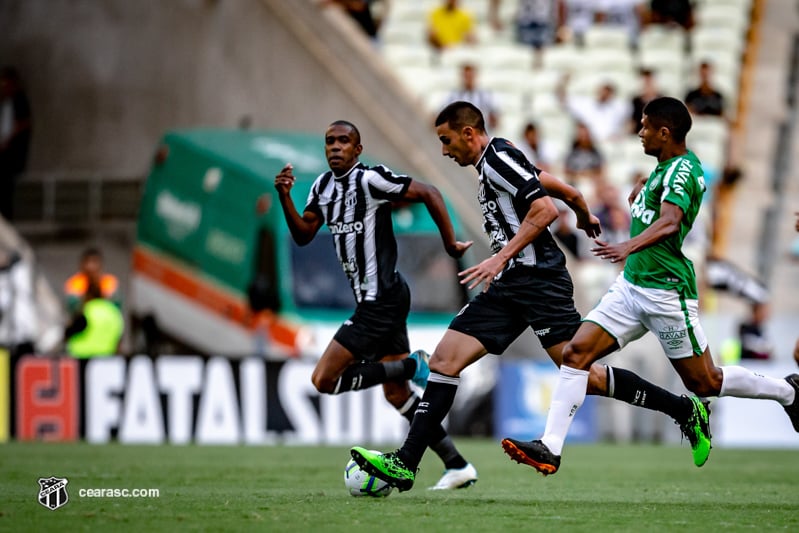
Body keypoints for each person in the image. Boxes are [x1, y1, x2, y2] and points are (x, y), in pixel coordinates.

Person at [351, 101, 712, 492]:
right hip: (510, 285)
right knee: (444, 360)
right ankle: (406, 463)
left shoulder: (497, 159)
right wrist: (580, 205)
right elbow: (546, 183)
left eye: (446, 140)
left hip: (540, 281)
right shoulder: (498, 158)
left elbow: (542, 210)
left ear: (468, 133)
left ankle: (682, 409)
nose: (443, 149)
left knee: (584, 374)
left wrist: (499, 257)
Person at [505, 97, 799, 476]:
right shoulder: (662, 170)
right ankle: (550, 447)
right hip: (631, 287)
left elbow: (671, 221)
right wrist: (646, 186)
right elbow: (662, 195)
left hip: (667, 292)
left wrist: (627, 245)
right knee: (575, 354)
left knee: (704, 381)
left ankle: (788, 392)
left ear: (665, 132)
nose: (639, 133)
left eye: (645, 127)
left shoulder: (683, 172)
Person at [274, 120, 478, 490]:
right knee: (397, 393)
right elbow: (304, 235)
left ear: (358, 149)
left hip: (379, 300)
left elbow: (430, 192)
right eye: (330, 141)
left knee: (323, 380)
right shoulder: (321, 187)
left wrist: (449, 245)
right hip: (381, 298)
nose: (335, 147)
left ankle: (410, 365)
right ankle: (456, 464)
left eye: (344, 141)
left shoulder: (370, 180)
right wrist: (285, 197)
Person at [0, 67, 32, 222]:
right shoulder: (6, 102)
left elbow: (23, 123)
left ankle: (6, 220)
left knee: (6, 189)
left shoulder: (20, 100)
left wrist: (7, 140)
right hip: (6, 153)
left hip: (11, 156)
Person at [64, 279, 124, 358]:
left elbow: (69, 332)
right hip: (107, 356)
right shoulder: (113, 311)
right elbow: (119, 336)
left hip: (82, 357)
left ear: (87, 295)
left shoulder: (85, 310)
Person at [64, 247, 120, 315]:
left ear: (101, 264)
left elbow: (116, 306)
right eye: (87, 262)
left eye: (94, 261)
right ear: (81, 264)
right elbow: (72, 307)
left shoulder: (109, 281)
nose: (90, 266)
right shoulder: (75, 282)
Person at [446, 64, 500, 130]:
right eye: (466, 76)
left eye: (470, 76)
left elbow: (495, 116)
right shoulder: (454, 95)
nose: (468, 79)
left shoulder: (484, 95)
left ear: (475, 76)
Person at [630, 68, 662, 134]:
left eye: (649, 82)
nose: (647, 85)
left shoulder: (662, 100)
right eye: (645, 82)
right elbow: (633, 122)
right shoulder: (636, 101)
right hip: (639, 135)